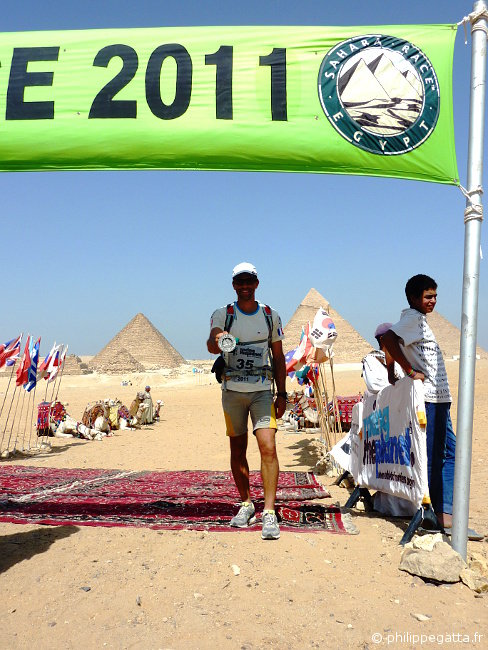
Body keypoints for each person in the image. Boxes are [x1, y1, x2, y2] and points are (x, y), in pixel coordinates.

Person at [381, 274, 482, 539]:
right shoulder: (413, 319)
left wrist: (396, 370)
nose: (433, 301)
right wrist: (409, 369)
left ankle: (442, 515)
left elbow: (392, 342)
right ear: (414, 298)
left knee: (445, 454)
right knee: (443, 455)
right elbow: (390, 339)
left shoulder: (417, 321)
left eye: (435, 296)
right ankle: (439, 516)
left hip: (438, 398)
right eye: (428, 296)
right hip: (430, 398)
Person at [207, 262, 287, 540]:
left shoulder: (270, 316)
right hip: (232, 392)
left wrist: (283, 394)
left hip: (263, 391)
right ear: (233, 285)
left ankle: (268, 511)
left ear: (256, 283)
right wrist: (220, 337)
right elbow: (210, 341)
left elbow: (279, 357)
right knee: (237, 448)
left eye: (248, 282)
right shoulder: (223, 314)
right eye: (239, 282)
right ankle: (245, 503)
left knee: (268, 446)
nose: (244, 287)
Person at [361, 323, 415, 517]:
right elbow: (376, 384)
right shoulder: (372, 359)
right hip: (383, 419)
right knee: (388, 465)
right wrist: (399, 387)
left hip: (402, 417)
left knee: (406, 461)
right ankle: (389, 508)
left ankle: (408, 507)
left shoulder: (404, 358)